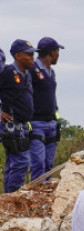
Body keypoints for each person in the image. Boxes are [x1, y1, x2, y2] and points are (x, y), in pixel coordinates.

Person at [0, 40, 37, 193]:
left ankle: (8, 198)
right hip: (9, 123)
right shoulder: (8, 72)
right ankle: (13, 195)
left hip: (21, 124)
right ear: (17, 55)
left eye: (33, 53)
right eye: (28, 54)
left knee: (14, 161)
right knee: (21, 161)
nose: (32, 57)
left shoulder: (27, 74)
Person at [30, 37, 65, 176]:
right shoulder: (32, 69)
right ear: (51, 52)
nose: (58, 55)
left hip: (51, 123)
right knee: (38, 163)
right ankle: (35, 194)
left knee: (49, 164)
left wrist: (56, 119)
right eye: (57, 51)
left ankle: (45, 195)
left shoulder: (51, 73)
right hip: (36, 122)